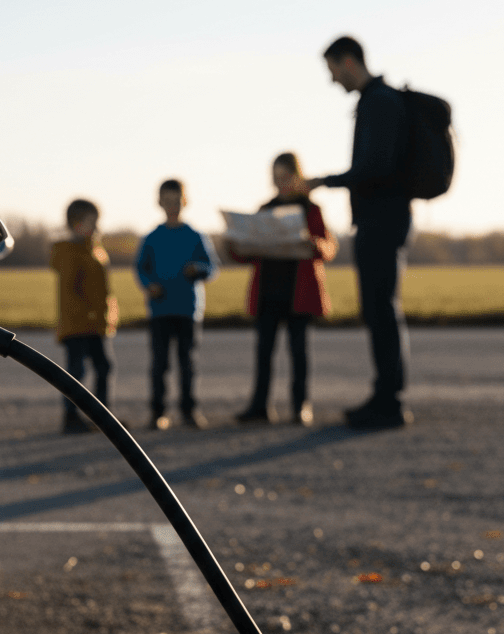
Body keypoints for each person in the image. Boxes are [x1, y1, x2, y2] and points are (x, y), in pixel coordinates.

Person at [306, 35, 411, 431]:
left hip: (381, 220)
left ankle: (389, 400)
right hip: (382, 218)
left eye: (332, 70)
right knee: (380, 308)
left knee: (381, 308)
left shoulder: (379, 102)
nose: (333, 80)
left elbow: (375, 167)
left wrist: (324, 180)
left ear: (348, 61)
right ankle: (386, 395)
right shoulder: (378, 101)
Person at [230, 152, 335, 426]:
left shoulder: (311, 210)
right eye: (276, 178)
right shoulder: (265, 209)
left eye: (286, 177)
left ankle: (301, 406)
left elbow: (328, 246)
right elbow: (249, 254)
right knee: (263, 353)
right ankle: (259, 407)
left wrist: (313, 244)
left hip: (298, 293)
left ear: (297, 177)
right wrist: (233, 245)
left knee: (299, 352)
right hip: (268, 292)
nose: (281, 184)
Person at [134, 179, 220, 430]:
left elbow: (212, 267)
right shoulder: (152, 237)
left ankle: (189, 410)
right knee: (159, 364)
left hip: (188, 310)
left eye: (176, 201)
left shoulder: (195, 236)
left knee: (187, 364)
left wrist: (199, 269)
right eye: (167, 201)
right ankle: (157, 412)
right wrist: (149, 285)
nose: (172, 206)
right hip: (160, 309)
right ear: (159, 202)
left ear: (185, 202)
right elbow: (141, 268)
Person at [49, 198, 118, 434]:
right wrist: (87, 312)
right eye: (91, 222)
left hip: (98, 322)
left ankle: (103, 416)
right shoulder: (69, 253)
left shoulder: (96, 249)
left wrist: (108, 313)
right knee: (76, 372)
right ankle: (71, 417)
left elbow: (103, 289)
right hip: (78, 324)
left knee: (104, 368)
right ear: (75, 224)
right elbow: (71, 289)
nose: (96, 226)